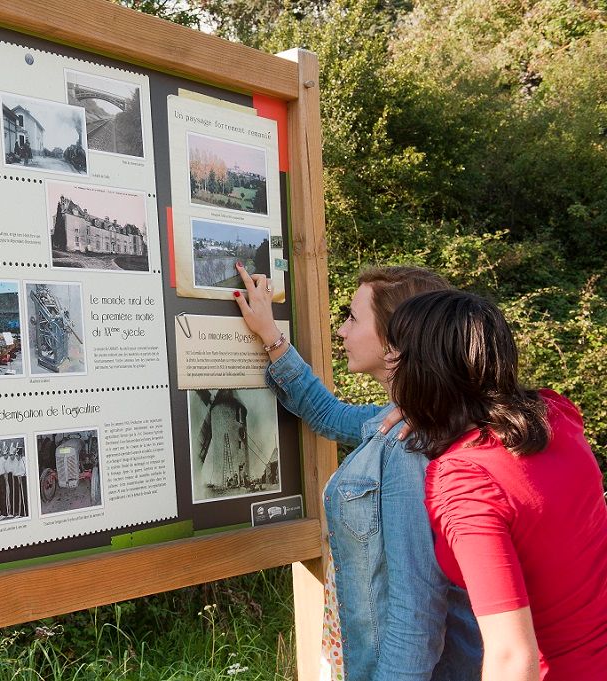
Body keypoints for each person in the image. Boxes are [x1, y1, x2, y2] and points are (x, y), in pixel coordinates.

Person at [234, 263, 482, 681]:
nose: (342, 330)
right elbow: (330, 414)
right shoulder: (397, 420)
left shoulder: (408, 444)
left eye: (352, 317)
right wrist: (271, 337)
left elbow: (414, 614)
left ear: (394, 343)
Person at [386, 290, 607, 681]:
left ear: (424, 371)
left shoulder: (465, 481)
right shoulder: (557, 414)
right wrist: (434, 408)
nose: (391, 365)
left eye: (398, 356)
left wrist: (431, 406)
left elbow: (510, 656)